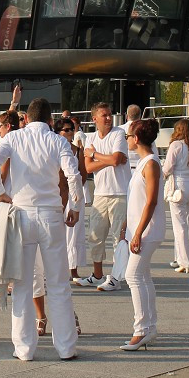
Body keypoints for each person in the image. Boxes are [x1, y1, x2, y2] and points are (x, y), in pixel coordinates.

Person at [0, 98, 82, 361]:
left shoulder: (15, 138)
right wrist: (74, 205)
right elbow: (73, 176)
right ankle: (65, 347)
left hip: (22, 214)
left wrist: (0, 193)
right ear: (51, 121)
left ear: (26, 119)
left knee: (22, 284)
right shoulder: (58, 141)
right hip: (51, 214)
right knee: (58, 283)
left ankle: (24, 348)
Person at [120, 119, 165, 351]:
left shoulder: (150, 164)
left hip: (147, 230)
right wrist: (127, 227)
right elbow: (137, 202)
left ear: (136, 139)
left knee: (133, 276)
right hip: (141, 229)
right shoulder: (145, 163)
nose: (127, 139)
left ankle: (141, 329)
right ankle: (149, 327)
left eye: (129, 136)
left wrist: (137, 233)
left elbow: (151, 201)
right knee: (143, 277)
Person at [79, 102, 130, 291]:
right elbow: (88, 167)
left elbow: (117, 160)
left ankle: (117, 277)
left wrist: (96, 155)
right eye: (104, 115)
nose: (108, 118)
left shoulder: (118, 134)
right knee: (96, 236)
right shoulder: (90, 137)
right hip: (100, 193)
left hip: (120, 193)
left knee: (119, 238)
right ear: (94, 119)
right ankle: (97, 274)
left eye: (109, 114)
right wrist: (107, 159)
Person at [162, 119, 189, 273]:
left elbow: (168, 167)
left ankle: (185, 261)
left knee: (179, 227)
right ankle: (179, 258)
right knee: (184, 224)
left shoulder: (175, 145)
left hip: (179, 186)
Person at [54, 117, 87, 281]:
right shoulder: (53, 149)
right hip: (58, 195)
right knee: (57, 234)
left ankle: (73, 270)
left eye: (71, 129)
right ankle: (56, 270)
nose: (69, 132)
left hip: (73, 195)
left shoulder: (78, 150)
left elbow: (83, 173)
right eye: (66, 129)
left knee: (74, 234)